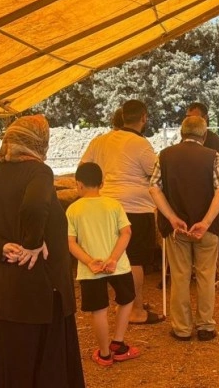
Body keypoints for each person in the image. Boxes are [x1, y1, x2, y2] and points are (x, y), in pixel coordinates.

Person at [0, 115, 85, 387]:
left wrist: (0, 247)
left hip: (6, 293)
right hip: (40, 291)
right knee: (47, 367)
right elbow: (33, 207)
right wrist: (32, 243)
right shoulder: (39, 171)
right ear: (39, 142)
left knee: (15, 367)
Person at [80, 99, 165, 324]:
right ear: (143, 118)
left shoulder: (99, 142)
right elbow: (157, 175)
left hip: (105, 207)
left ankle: (123, 304)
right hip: (135, 209)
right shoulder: (140, 144)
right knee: (135, 260)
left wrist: (100, 190)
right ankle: (136, 310)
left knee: (113, 257)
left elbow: (83, 170)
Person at [149, 115, 219, 341]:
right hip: (207, 230)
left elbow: (153, 188)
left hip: (177, 231)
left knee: (180, 277)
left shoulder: (164, 156)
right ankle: (205, 326)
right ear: (204, 135)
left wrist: (172, 218)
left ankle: (182, 328)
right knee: (206, 275)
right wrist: (206, 222)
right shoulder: (212, 156)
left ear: (182, 134)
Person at [66, 162, 140, 366]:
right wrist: (113, 258)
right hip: (118, 265)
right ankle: (118, 342)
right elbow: (127, 232)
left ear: (79, 184)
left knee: (98, 309)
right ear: (102, 183)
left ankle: (105, 354)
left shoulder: (73, 210)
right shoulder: (113, 205)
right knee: (126, 300)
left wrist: (90, 261)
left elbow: (70, 242)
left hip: (91, 270)